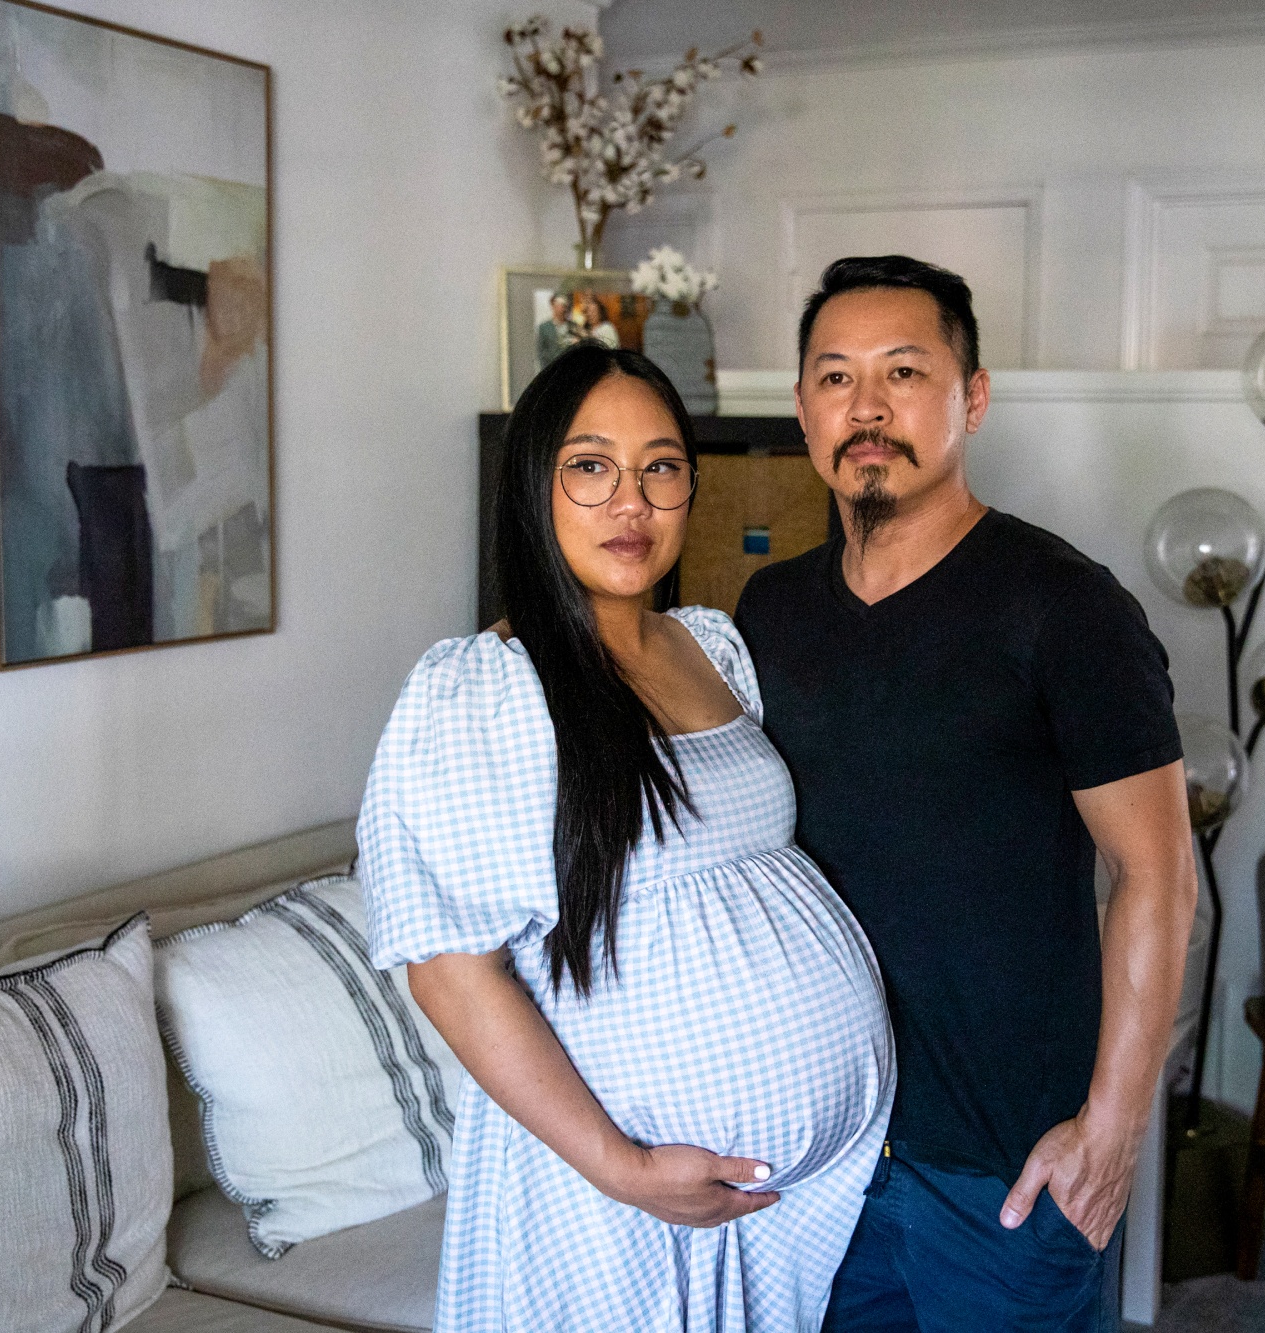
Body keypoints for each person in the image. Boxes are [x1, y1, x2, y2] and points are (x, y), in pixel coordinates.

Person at [358, 343, 894, 1331]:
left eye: (660, 467)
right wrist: (623, 1165)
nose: (632, 502)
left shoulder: (710, 644)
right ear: (533, 487)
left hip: (779, 1206)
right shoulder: (481, 689)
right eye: (590, 466)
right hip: (612, 1193)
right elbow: (450, 972)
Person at [734, 256, 1199, 1332]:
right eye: (836, 377)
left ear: (972, 398)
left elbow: (1158, 873)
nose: (866, 407)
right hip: (822, 1156)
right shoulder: (769, 609)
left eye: (903, 372)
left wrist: (1112, 1130)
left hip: (1002, 1173)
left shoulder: (1065, 607)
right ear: (802, 409)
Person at [536, 292, 576, 369]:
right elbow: (541, 353)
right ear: (553, 306)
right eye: (559, 305)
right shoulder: (544, 327)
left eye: (564, 305)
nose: (562, 308)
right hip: (552, 369)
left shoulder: (573, 326)